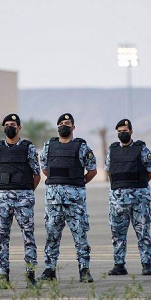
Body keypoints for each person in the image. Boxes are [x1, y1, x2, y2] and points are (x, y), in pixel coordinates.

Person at [39, 113, 97, 283]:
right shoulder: (48, 146)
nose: (64, 125)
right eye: (61, 123)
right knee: (52, 236)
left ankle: (84, 270)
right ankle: (49, 271)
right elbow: (44, 168)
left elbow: (92, 171)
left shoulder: (82, 147)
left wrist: (78, 183)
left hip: (75, 202)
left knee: (80, 236)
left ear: (73, 127)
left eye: (67, 123)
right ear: (57, 127)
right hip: (54, 202)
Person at [0, 114, 41, 288]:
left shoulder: (28, 148)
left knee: (28, 238)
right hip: (3, 199)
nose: (9, 127)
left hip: (24, 199)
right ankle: (4, 277)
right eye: (6, 125)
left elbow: (36, 174)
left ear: (19, 128)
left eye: (12, 124)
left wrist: (25, 191)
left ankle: (31, 276)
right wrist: (4, 190)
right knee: (2, 238)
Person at [104, 118, 151, 276]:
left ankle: (146, 265)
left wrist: (140, 184)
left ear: (131, 131)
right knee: (117, 234)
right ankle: (119, 265)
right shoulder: (112, 150)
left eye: (124, 131)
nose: (122, 134)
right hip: (118, 201)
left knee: (143, 233)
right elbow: (108, 170)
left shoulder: (141, 149)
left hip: (139, 199)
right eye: (119, 132)